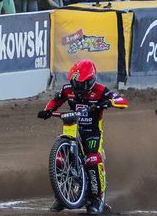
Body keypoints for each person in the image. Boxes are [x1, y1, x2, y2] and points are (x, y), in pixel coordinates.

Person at [38, 60, 129, 214]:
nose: (77, 87)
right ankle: (61, 197)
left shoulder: (101, 91)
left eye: (80, 84)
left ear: (91, 80)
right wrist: (48, 110)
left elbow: (122, 101)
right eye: (74, 83)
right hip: (72, 129)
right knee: (60, 159)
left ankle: (96, 198)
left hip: (92, 132)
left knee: (92, 159)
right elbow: (55, 101)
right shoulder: (67, 90)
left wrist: (108, 103)